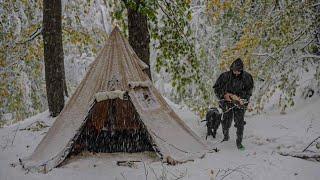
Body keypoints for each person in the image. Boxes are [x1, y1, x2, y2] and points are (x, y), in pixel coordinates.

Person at [213, 58, 254, 150]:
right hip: (227, 102)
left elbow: (249, 91)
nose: (236, 73)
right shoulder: (224, 76)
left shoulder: (247, 77)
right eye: (234, 70)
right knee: (226, 121)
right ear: (232, 68)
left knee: (240, 123)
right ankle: (226, 137)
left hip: (240, 103)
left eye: (238, 71)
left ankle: (239, 142)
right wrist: (224, 95)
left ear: (241, 70)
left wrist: (241, 99)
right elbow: (216, 88)